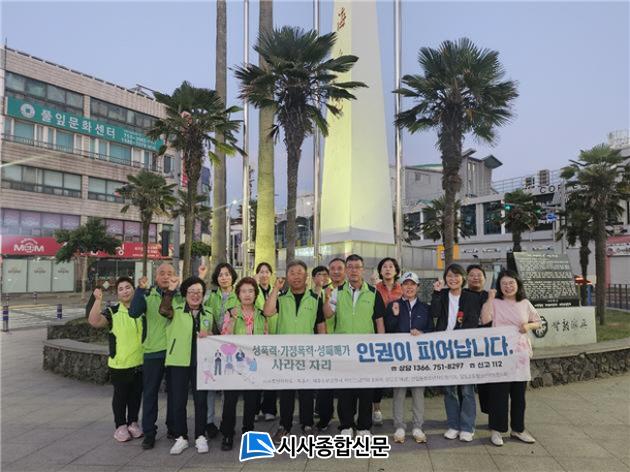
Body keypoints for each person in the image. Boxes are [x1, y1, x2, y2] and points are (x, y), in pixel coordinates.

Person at [264, 260, 327, 443]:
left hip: (307, 353)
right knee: (286, 392)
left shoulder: (315, 298)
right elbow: (268, 312)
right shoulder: (281, 298)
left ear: (306, 276)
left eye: (300, 272)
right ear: (287, 277)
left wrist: (323, 349)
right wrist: (275, 289)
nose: (296, 276)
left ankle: (307, 424)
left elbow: (320, 324)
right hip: (285, 354)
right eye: (292, 273)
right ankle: (284, 426)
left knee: (307, 392)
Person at [323, 254, 386, 437]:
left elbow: (379, 321)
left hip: (366, 349)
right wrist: (327, 298)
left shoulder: (373, 293)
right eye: (349, 267)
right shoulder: (337, 291)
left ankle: (364, 426)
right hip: (343, 349)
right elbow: (328, 314)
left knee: (366, 389)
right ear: (346, 270)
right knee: (345, 390)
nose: (353, 270)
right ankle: (346, 425)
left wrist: (381, 346)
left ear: (363, 270)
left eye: (357, 267)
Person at [480, 270, 541, 447]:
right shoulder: (495, 303)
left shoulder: (525, 303)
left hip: (520, 356)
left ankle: (518, 429)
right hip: (500, 355)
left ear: (517, 284)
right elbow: (485, 319)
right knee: (498, 394)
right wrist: (490, 298)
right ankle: (496, 430)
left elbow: (538, 322)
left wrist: (528, 326)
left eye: (511, 283)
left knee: (518, 396)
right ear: (499, 286)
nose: (508, 286)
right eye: (504, 283)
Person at [159, 275, 216, 455]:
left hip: (202, 364)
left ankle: (200, 436)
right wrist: (170, 290)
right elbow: (163, 310)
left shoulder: (208, 313)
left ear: (203, 294)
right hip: (178, 362)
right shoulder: (175, 310)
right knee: (178, 401)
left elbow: (216, 335)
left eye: (199, 292)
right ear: (184, 294)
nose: (195, 295)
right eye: (191, 291)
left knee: (201, 402)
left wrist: (210, 334)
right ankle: (181, 437)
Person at [431, 263, 483, 442]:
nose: (453, 279)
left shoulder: (471, 297)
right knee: (449, 389)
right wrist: (436, 293)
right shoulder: (442, 294)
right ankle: (453, 425)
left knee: (467, 389)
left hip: (463, 347)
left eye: (456, 276)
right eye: (449, 276)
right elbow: (434, 313)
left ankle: (467, 427)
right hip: (444, 348)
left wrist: (459, 337)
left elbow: (473, 321)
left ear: (463, 278)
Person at [88, 277, 143, 442]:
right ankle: (120, 426)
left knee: (135, 396)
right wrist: (98, 300)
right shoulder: (112, 312)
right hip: (120, 364)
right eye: (121, 289)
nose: (125, 291)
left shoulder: (142, 310)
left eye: (128, 287)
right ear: (117, 293)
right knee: (120, 397)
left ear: (134, 290)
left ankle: (133, 423)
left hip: (140, 362)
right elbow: (94, 321)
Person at [128, 263, 176, 449]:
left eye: (170, 273)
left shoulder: (180, 296)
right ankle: (149, 432)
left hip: (175, 352)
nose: (166, 276)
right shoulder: (148, 295)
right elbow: (134, 312)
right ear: (156, 277)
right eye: (162, 273)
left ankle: (173, 428)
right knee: (149, 394)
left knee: (175, 394)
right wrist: (140, 290)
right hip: (152, 352)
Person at [219, 277, 269, 451]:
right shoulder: (231, 312)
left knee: (251, 401)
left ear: (255, 294)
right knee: (230, 400)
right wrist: (233, 319)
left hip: (253, 365)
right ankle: (227, 433)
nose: (247, 294)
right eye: (243, 291)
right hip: (234, 364)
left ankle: (248, 432)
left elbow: (266, 337)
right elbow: (225, 335)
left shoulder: (261, 314)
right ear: (238, 294)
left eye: (251, 291)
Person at [384, 271, 433, 444]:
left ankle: (418, 426)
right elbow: (388, 330)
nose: (409, 287)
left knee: (418, 392)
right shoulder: (393, 305)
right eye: (406, 284)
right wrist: (395, 315)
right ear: (401, 287)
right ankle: (399, 426)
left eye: (413, 284)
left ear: (418, 287)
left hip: (419, 357)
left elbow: (431, 330)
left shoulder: (425, 307)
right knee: (399, 392)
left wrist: (422, 332)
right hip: (400, 357)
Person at [202, 262, 239, 439]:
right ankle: (209, 422)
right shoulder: (211, 296)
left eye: (227, 274)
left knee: (227, 386)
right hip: (211, 345)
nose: (224, 278)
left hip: (232, 346)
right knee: (210, 384)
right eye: (220, 275)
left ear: (233, 276)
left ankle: (226, 421)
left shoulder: (239, 295)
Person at [373, 257, 403, 425]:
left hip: (398, 334)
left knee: (397, 375)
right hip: (378, 333)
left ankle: (398, 413)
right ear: (380, 271)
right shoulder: (374, 289)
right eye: (384, 266)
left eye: (391, 266)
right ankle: (376, 409)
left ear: (396, 271)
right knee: (377, 374)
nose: (388, 269)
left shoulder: (403, 288)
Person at [254, 262, 278, 422]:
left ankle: (269, 409)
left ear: (271, 274)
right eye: (261, 272)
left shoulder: (278, 291)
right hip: (257, 337)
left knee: (271, 375)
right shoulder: (252, 290)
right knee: (255, 375)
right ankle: (254, 409)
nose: (264, 275)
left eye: (266, 272)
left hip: (274, 336)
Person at [466, 264, 491, 414]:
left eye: (479, 275)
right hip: (466, 345)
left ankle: (490, 415)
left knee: (487, 383)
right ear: (466, 278)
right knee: (465, 385)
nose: (475, 278)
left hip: (487, 346)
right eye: (472, 275)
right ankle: (465, 417)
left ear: (485, 278)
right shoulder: (461, 295)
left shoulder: (491, 297)